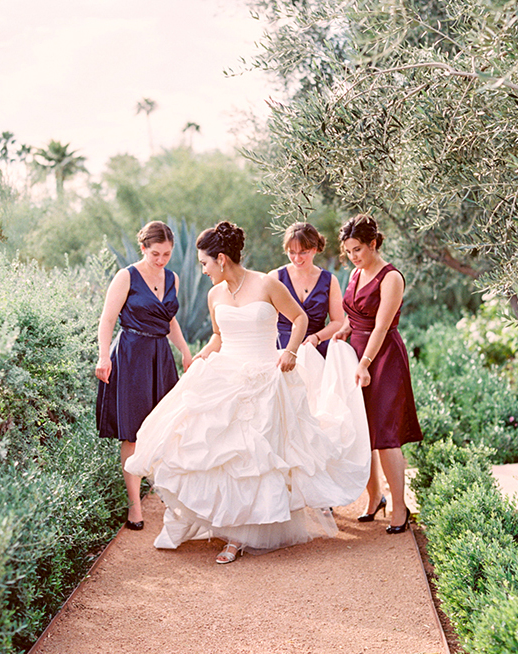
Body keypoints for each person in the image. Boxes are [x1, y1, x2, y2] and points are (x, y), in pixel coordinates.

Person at [125, 220, 371, 563]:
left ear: (222, 259)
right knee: (211, 450)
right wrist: (200, 357)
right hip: (226, 374)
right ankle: (220, 525)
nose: (203, 270)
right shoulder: (214, 295)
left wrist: (291, 351)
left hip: (264, 376)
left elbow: (299, 319)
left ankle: (239, 536)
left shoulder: (266, 284)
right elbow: (218, 336)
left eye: (205, 263)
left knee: (250, 458)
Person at [95, 221, 192, 531]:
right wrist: (102, 356)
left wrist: (185, 351)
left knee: (168, 427)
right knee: (132, 432)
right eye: (155, 254)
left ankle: (166, 494)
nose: (161, 260)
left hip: (160, 357)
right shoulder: (126, 276)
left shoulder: (172, 277)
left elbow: (170, 320)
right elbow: (108, 319)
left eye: (166, 254)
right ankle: (134, 506)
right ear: (143, 248)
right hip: (131, 355)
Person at [335, 214, 423, 534]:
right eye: (348, 251)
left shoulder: (391, 278)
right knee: (362, 433)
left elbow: (381, 325)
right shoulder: (355, 274)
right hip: (355, 353)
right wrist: (342, 331)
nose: (353, 256)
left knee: (386, 437)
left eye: (358, 249)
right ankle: (374, 499)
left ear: (373, 244)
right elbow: (354, 313)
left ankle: (400, 508)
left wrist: (365, 363)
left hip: (383, 357)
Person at [268, 221, 345, 357]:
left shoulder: (330, 280)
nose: (297, 258)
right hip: (281, 349)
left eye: (303, 252)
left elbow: (338, 322)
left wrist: (317, 337)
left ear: (314, 249)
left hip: (317, 351)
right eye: (292, 252)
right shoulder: (275, 277)